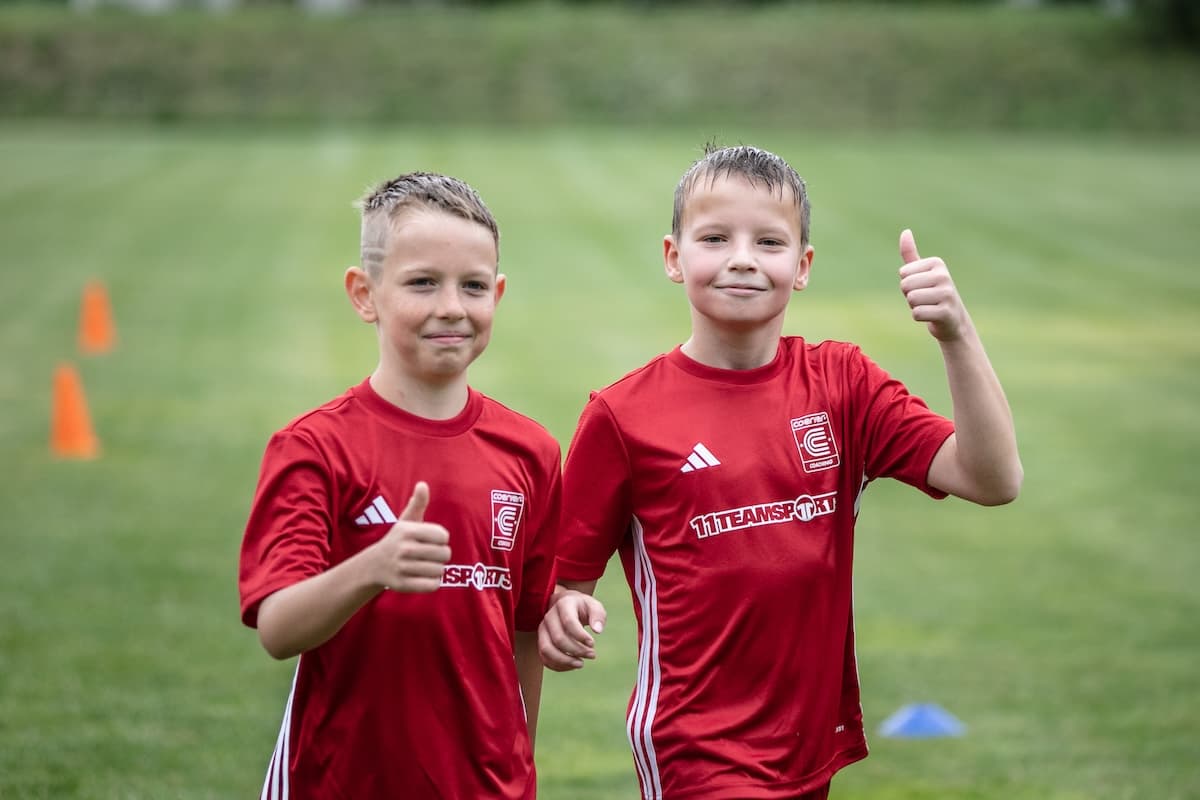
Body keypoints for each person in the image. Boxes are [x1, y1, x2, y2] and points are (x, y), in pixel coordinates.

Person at [538, 144, 1023, 799]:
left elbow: (992, 479)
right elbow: (565, 580)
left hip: (808, 738)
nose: (742, 257)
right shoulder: (623, 417)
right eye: (715, 237)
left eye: (768, 241)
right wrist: (566, 611)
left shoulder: (843, 385)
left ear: (802, 266)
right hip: (695, 745)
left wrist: (956, 334)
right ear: (674, 257)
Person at [238, 171, 561, 799]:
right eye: (422, 283)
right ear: (365, 295)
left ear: (497, 293)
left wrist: (519, 760)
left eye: (472, 286)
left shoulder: (531, 451)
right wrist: (370, 568)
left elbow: (524, 626)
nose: (451, 307)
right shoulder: (315, 448)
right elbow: (278, 627)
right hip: (344, 779)